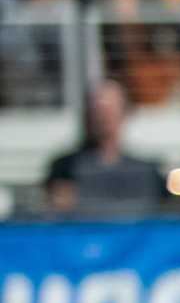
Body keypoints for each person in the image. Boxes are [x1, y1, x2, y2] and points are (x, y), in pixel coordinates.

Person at [44, 79, 164, 214]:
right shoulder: (65, 168)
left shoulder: (147, 171)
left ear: (124, 114)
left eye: (109, 111)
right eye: (98, 111)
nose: (102, 118)